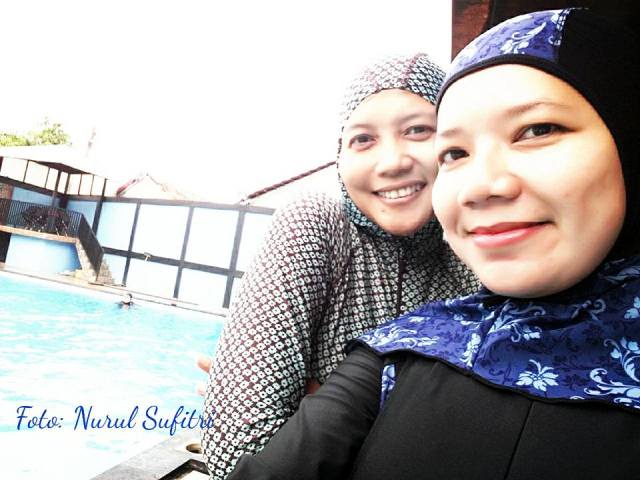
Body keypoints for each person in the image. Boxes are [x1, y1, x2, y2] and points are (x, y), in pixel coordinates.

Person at [226, 8, 640, 479]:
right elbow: (250, 442)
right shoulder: (412, 340)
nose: (392, 162)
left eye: (537, 130)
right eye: (457, 152)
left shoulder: (480, 262)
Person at [201, 53, 481, 479]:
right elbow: (239, 452)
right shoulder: (318, 226)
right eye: (363, 139)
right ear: (339, 158)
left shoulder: (478, 260)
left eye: (418, 130)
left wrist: (317, 410)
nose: (392, 161)